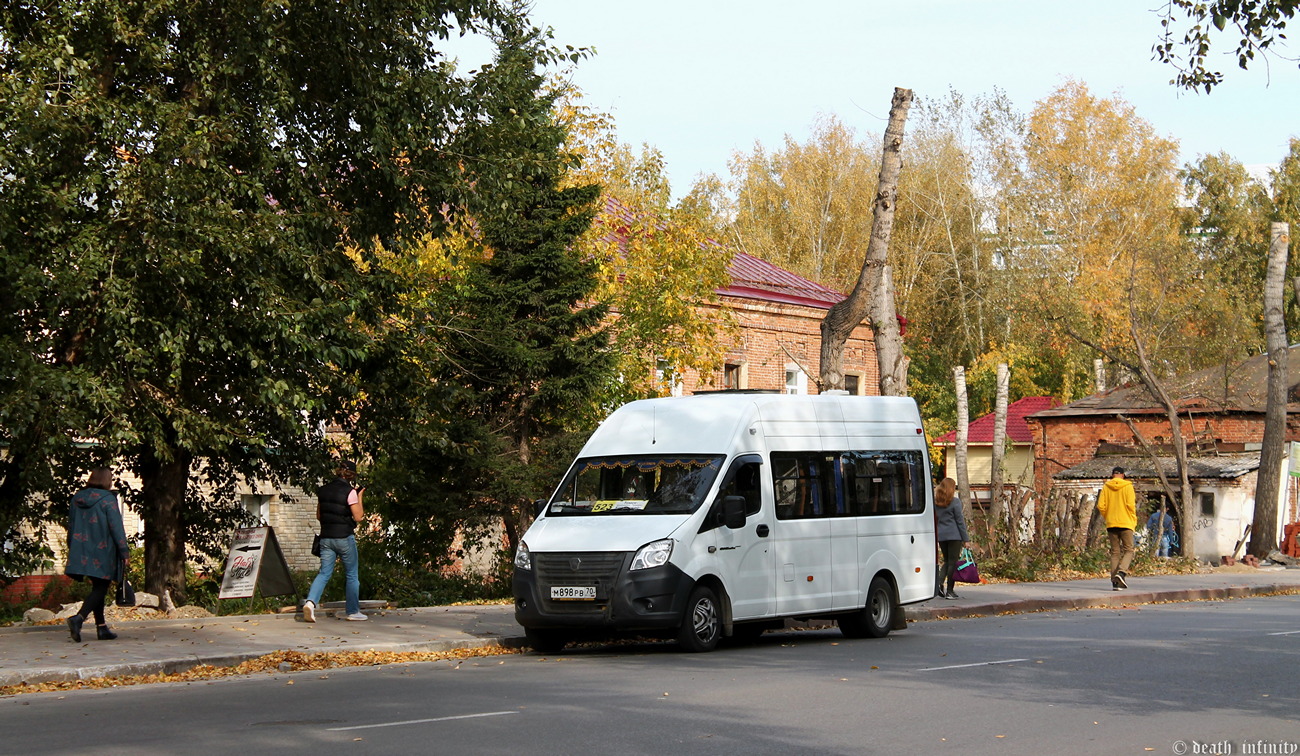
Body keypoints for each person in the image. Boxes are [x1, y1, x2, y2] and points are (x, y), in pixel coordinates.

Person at [65, 468, 129, 642]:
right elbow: (116, 527)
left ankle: (102, 628)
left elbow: (71, 525)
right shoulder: (108, 500)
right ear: (107, 480)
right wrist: (124, 552)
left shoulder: (77, 498)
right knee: (101, 587)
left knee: (98, 588)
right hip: (103, 550)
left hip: (82, 550)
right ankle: (78, 618)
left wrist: (72, 547)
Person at [303, 460, 366, 622]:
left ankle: (310, 603)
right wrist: (359, 497)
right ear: (351, 476)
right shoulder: (350, 492)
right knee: (352, 575)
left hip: (326, 539)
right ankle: (352, 612)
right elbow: (358, 517)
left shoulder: (323, 490)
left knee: (324, 573)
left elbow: (319, 516)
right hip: (344, 538)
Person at [1097, 466, 1137, 590]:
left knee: (1115, 552)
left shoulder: (1106, 487)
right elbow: (1130, 505)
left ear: (1112, 475)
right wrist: (1133, 518)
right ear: (1123, 475)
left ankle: (1115, 582)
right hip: (1126, 522)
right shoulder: (1128, 486)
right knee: (1129, 550)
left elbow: (1101, 506)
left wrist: (1108, 516)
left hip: (1111, 523)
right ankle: (1121, 572)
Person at [933, 477, 969, 600]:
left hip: (942, 536)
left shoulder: (936, 502)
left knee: (947, 561)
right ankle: (949, 590)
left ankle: (939, 583)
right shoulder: (955, 502)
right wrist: (966, 539)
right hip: (954, 536)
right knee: (952, 563)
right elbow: (960, 522)